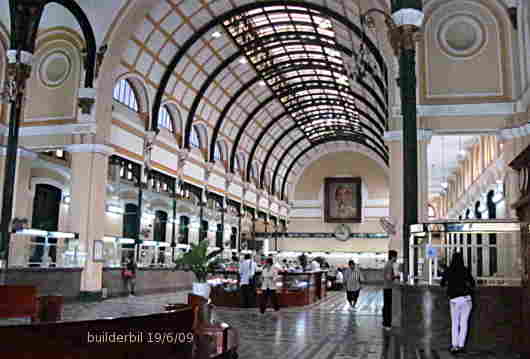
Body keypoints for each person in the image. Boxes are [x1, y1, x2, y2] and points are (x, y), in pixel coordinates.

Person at [441, 252, 475, 354]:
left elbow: (442, 284)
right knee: (464, 323)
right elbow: (472, 283)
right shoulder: (465, 269)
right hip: (466, 299)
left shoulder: (449, 270)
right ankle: (461, 346)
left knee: (455, 323)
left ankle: (454, 346)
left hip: (455, 300)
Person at [382, 250, 399, 330]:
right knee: (388, 306)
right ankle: (387, 324)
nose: (396, 258)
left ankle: (385, 323)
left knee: (386, 306)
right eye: (396, 256)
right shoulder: (389, 265)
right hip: (388, 288)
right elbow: (389, 277)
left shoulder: (388, 264)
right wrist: (396, 277)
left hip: (386, 287)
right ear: (392, 256)